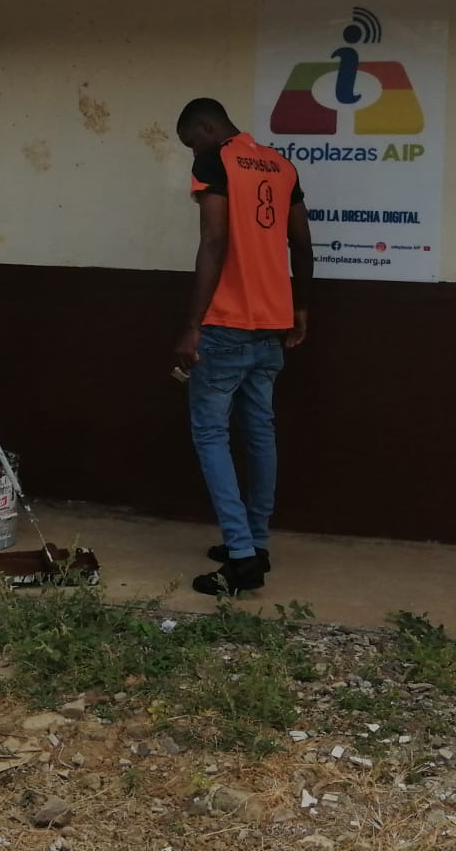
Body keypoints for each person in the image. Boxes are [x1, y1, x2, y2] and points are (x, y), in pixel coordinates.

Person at [174, 98, 313, 596]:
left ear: (206, 128)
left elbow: (214, 241)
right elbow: (302, 243)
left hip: (227, 324)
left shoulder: (214, 161)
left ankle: (240, 557)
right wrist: (299, 308)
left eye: (192, 140)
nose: (193, 150)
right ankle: (256, 541)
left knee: (210, 434)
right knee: (261, 432)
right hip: (272, 325)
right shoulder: (279, 164)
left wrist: (192, 325)